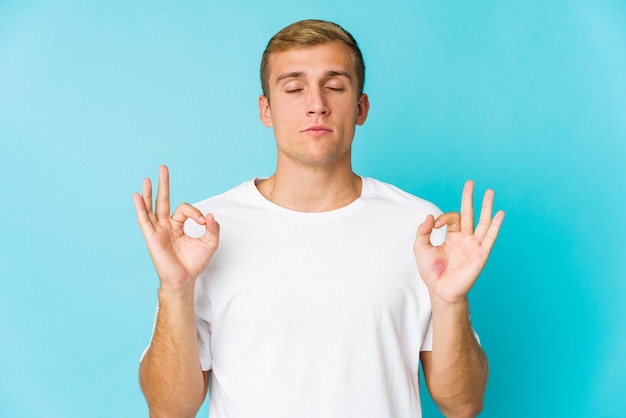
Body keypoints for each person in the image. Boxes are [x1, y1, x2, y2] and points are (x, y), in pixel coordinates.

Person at [133, 19, 504, 418]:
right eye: (294, 88)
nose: (316, 104)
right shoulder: (203, 233)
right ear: (266, 110)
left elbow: (462, 405)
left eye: (335, 86)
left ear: (360, 108)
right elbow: (169, 409)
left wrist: (451, 301)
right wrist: (174, 289)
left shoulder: (420, 228)